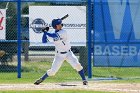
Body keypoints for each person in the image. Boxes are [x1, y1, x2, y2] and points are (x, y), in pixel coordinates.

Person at [34, 18, 88, 85]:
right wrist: (44, 33)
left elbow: (54, 35)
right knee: (53, 71)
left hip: (68, 53)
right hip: (59, 55)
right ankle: (41, 79)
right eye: (59, 24)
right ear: (56, 26)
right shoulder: (52, 33)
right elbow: (44, 41)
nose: (61, 25)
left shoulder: (63, 32)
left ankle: (84, 80)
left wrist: (46, 32)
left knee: (77, 65)